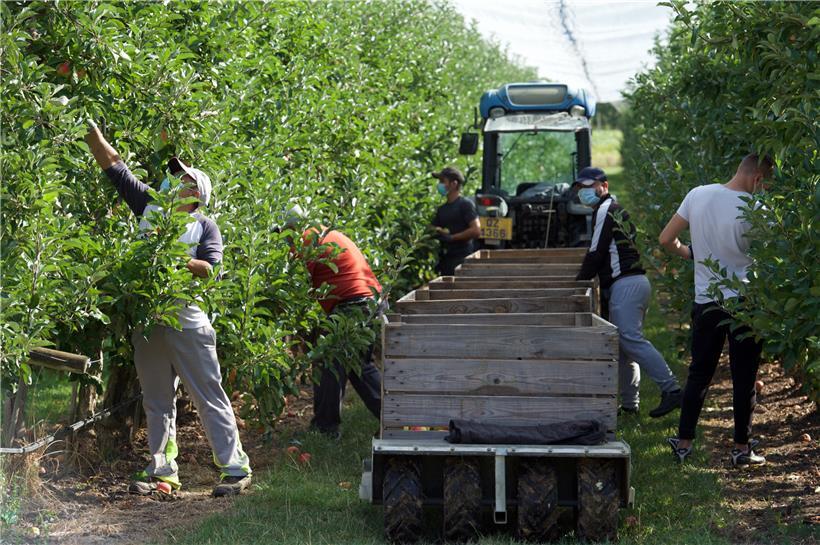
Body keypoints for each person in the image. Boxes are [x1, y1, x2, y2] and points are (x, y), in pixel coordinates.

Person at [84, 120, 251, 498]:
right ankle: (163, 473)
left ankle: (235, 467)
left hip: (187, 317)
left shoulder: (204, 227)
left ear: (196, 193)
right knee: (156, 401)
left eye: (184, 180)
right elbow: (115, 167)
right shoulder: (149, 209)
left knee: (208, 394)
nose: (174, 183)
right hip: (149, 321)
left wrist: (173, 259)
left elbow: (210, 269)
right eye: (173, 177)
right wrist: (92, 133)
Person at [659, 153, 773, 466]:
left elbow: (666, 239)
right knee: (744, 378)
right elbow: (773, 258)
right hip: (744, 303)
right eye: (764, 185)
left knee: (700, 373)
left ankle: (683, 443)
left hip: (706, 300)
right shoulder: (757, 209)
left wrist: (691, 253)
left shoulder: (698, 194)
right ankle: (741, 448)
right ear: (757, 179)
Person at [574, 167, 682, 418]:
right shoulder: (613, 209)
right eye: (580, 188)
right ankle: (630, 405)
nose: (584, 192)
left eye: (589, 186)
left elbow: (596, 252)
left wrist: (578, 283)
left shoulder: (606, 209)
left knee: (631, 340)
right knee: (623, 347)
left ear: (604, 185)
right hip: (633, 284)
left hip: (627, 284)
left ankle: (672, 389)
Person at [279, 206, 382, 440]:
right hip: (368, 301)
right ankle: (397, 420)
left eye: (283, 233)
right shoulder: (323, 233)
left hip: (354, 304)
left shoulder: (307, 239)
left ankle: (325, 429)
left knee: (330, 362)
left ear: (291, 227)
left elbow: (292, 283)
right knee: (357, 367)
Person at [431, 167, 481, 275]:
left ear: (454, 184)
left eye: (442, 181)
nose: (439, 185)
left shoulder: (465, 205)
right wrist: (437, 231)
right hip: (447, 259)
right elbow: (432, 227)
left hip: (463, 259)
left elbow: (476, 230)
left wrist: (452, 237)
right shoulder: (442, 209)